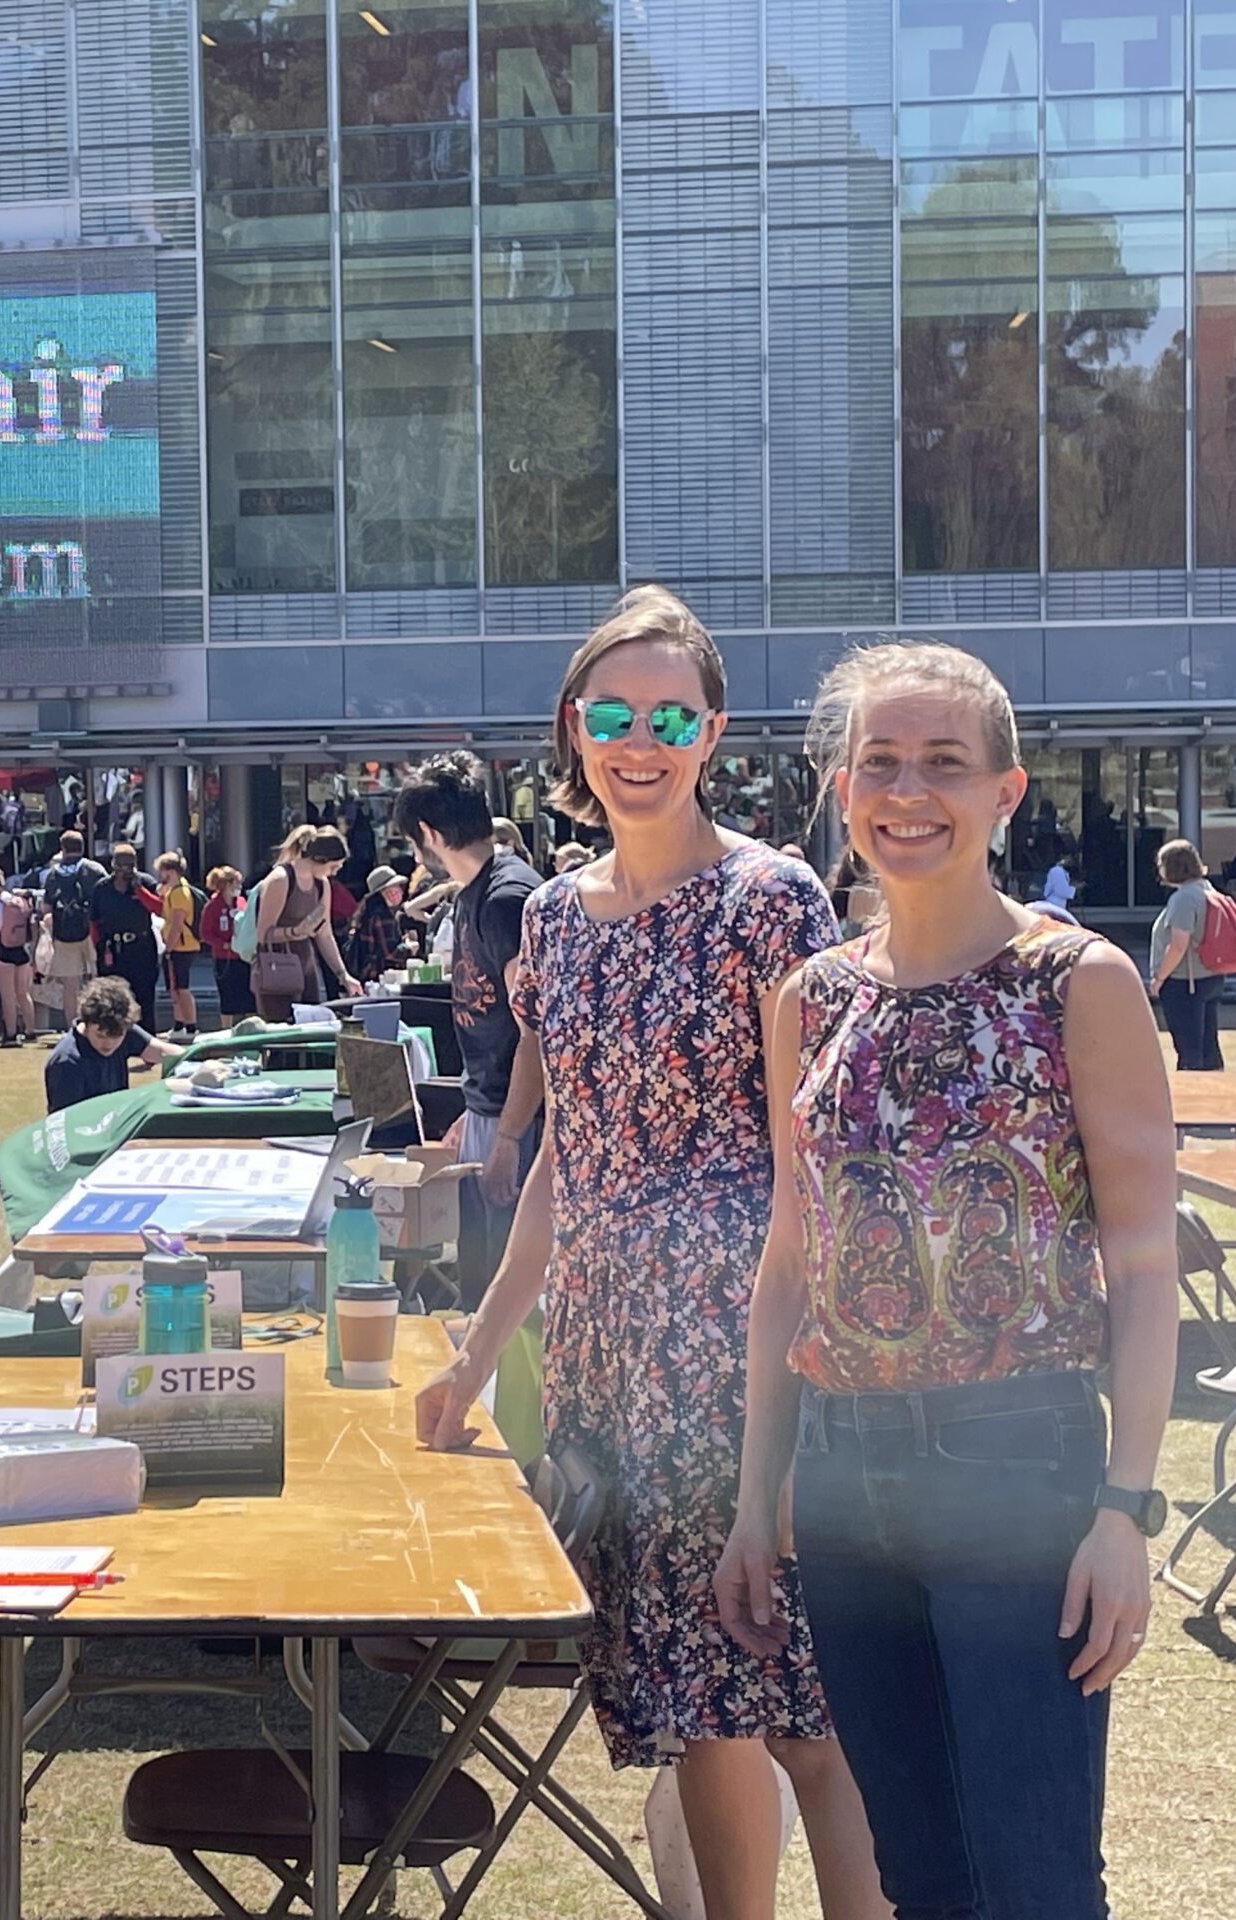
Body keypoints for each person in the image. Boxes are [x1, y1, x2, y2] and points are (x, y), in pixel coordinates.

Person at [416, 587, 883, 1920]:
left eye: (668, 714)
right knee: (696, 1706)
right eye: (612, 712)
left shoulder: (771, 899)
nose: (638, 739)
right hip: (607, 1357)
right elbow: (572, 1152)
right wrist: (477, 1355)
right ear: (575, 727)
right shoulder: (555, 918)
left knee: (786, 1697)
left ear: (711, 732)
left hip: (742, 1345)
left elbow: (818, 1158)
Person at [719, 640, 1175, 1920]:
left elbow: (1142, 1265)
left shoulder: (1075, 981)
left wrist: (1125, 1510)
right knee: (916, 1877)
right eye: (878, 762)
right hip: (846, 1480)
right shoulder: (806, 998)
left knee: (1031, 1879)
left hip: (1016, 1465)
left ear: (1003, 792)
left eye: (942, 764)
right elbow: (788, 1260)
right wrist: (758, 1500)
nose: (906, 792)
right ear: (839, 784)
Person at [394, 752, 545, 1308]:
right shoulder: (477, 893)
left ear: (429, 834)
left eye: (414, 841)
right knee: (480, 1278)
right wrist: (475, 1108)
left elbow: (538, 1031)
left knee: (504, 1291)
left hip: (520, 1122)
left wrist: (506, 1133)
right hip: (494, 1111)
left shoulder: (506, 899)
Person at [249, 827, 359, 1022]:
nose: (333, 874)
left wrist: (343, 975)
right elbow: (263, 934)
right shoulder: (280, 879)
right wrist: (295, 931)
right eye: (333, 867)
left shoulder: (322, 884)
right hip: (276, 965)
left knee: (310, 1028)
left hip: (305, 965)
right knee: (280, 1033)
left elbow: (325, 934)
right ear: (320, 859)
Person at [44, 976, 179, 1113]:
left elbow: (166, 1052)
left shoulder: (121, 1028)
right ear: (87, 1023)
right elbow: (64, 1121)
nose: (109, 1043)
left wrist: (198, 1057)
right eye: (100, 1035)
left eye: (117, 1036)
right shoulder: (66, 1062)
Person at [1146, 838, 1225, 1072]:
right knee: (1208, 1048)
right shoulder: (1208, 890)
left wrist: (1159, 977)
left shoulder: (1183, 899)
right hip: (1210, 975)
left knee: (1189, 1051)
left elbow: (1179, 945)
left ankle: (1194, 1100)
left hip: (1185, 982)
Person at [31, 830, 107, 1033]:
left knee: (70, 986)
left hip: (64, 934)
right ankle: (98, 1023)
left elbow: (46, 909)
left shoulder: (54, 874)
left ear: (63, 848)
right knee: (96, 979)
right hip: (91, 931)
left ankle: (73, 1028)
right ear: (82, 846)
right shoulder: (94, 869)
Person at [89, 842, 162, 1026]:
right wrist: (99, 947)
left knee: (144, 996)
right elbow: (93, 922)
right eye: (120, 866)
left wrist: (139, 890)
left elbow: (160, 909)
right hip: (113, 948)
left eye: (128, 866)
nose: (124, 871)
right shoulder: (102, 888)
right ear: (113, 865)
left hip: (141, 946)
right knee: (113, 997)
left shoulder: (146, 882)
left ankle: (145, 1037)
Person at [0, 864, 37, 1048]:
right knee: (23, 993)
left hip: (4, 951)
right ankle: (30, 1030)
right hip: (22, 950)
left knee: (7, 995)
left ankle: (11, 1033)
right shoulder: (16, 900)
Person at [153, 851, 202, 1041]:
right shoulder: (173, 891)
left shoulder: (180, 893)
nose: (160, 876)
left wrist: (169, 947)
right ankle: (179, 1024)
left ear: (170, 871)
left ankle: (191, 1027)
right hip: (178, 945)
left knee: (182, 987)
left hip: (182, 946)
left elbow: (177, 923)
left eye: (162, 871)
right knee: (173, 987)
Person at [198, 866, 252, 1025]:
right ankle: (225, 1030)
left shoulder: (241, 902)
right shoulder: (212, 906)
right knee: (228, 997)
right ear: (226, 884)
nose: (239, 886)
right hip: (225, 958)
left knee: (249, 997)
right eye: (236, 882)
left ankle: (251, 1031)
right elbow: (205, 933)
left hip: (243, 956)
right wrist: (224, 945)